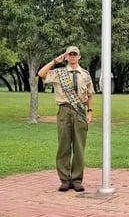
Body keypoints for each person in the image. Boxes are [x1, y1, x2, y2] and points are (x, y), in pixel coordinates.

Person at [38, 46, 94, 192]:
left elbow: (89, 95)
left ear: (79, 57)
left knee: (79, 147)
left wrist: (89, 111)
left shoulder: (85, 75)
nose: (73, 57)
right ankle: (64, 179)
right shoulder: (58, 73)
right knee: (63, 146)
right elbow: (41, 73)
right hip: (64, 110)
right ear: (66, 56)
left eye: (75, 54)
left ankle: (76, 180)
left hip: (80, 111)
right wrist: (55, 61)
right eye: (70, 55)